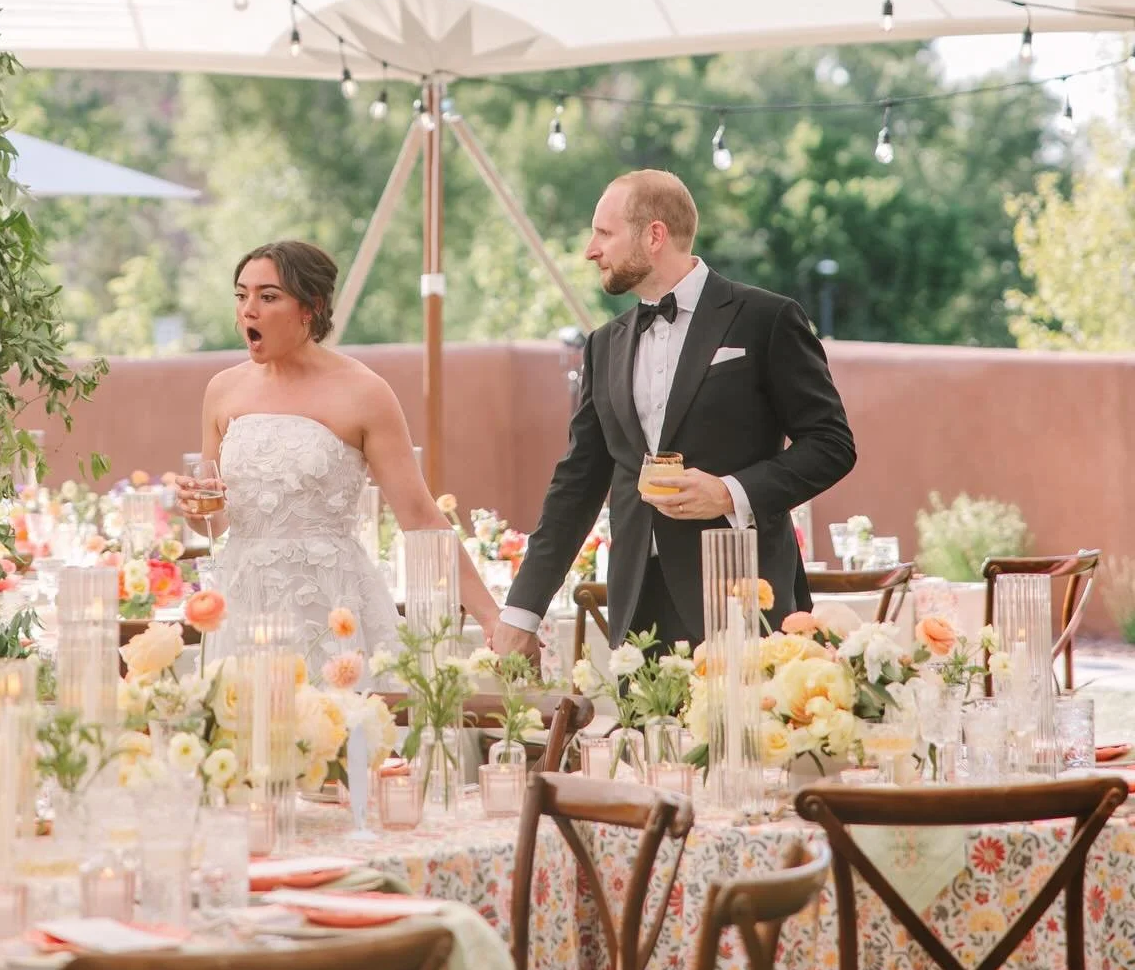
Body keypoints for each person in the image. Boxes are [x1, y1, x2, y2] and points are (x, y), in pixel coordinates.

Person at [494, 169, 855, 660]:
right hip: (636, 614)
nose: (591, 250)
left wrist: (728, 493)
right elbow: (577, 483)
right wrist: (522, 612)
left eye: (604, 233)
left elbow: (831, 445)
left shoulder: (766, 319)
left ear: (654, 235)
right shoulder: (604, 345)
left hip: (742, 603)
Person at [176, 240, 501, 672]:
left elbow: (421, 517)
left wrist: (491, 617)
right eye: (241, 295)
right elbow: (215, 521)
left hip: (332, 607)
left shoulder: (364, 392)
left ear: (310, 307)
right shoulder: (222, 390)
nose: (248, 310)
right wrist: (194, 509)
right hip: (244, 604)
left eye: (267, 297)